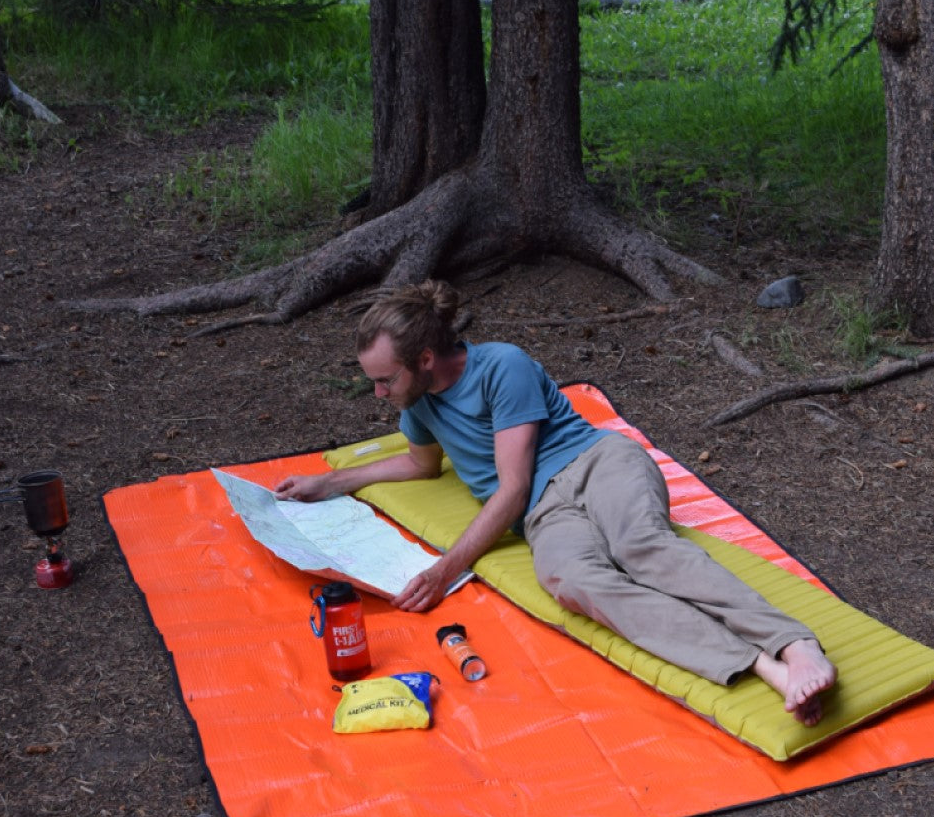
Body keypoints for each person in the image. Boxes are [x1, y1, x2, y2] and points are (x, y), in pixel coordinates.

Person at [275, 280, 837, 725]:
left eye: (384, 380)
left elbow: (512, 485)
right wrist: (330, 483)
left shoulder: (502, 367)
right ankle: (763, 665)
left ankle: (796, 644)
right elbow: (422, 463)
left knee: (640, 547)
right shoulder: (417, 401)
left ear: (424, 358)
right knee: (573, 582)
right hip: (547, 514)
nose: (378, 394)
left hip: (595, 465)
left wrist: (446, 568)